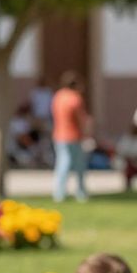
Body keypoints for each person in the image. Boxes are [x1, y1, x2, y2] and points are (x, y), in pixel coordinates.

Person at [51, 70, 90, 203]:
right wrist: (86, 133)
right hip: (73, 136)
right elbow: (81, 119)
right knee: (78, 166)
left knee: (62, 164)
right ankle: (80, 193)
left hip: (59, 136)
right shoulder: (75, 98)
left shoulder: (58, 96)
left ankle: (59, 193)